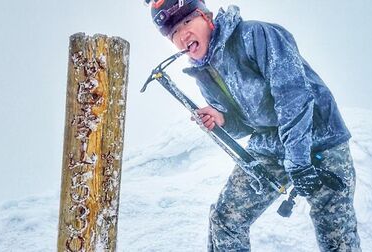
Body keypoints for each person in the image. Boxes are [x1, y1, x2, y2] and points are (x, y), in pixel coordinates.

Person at [146, 0, 361, 251]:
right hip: (270, 145)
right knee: (225, 220)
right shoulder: (204, 74)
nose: (183, 35)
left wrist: (298, 160)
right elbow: (245, 126)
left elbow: (293, 97)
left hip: (321, 137)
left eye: (186, 21)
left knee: (335, 233)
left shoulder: (255, 35)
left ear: (207, 17)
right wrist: (222, 119)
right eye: (173, 33)